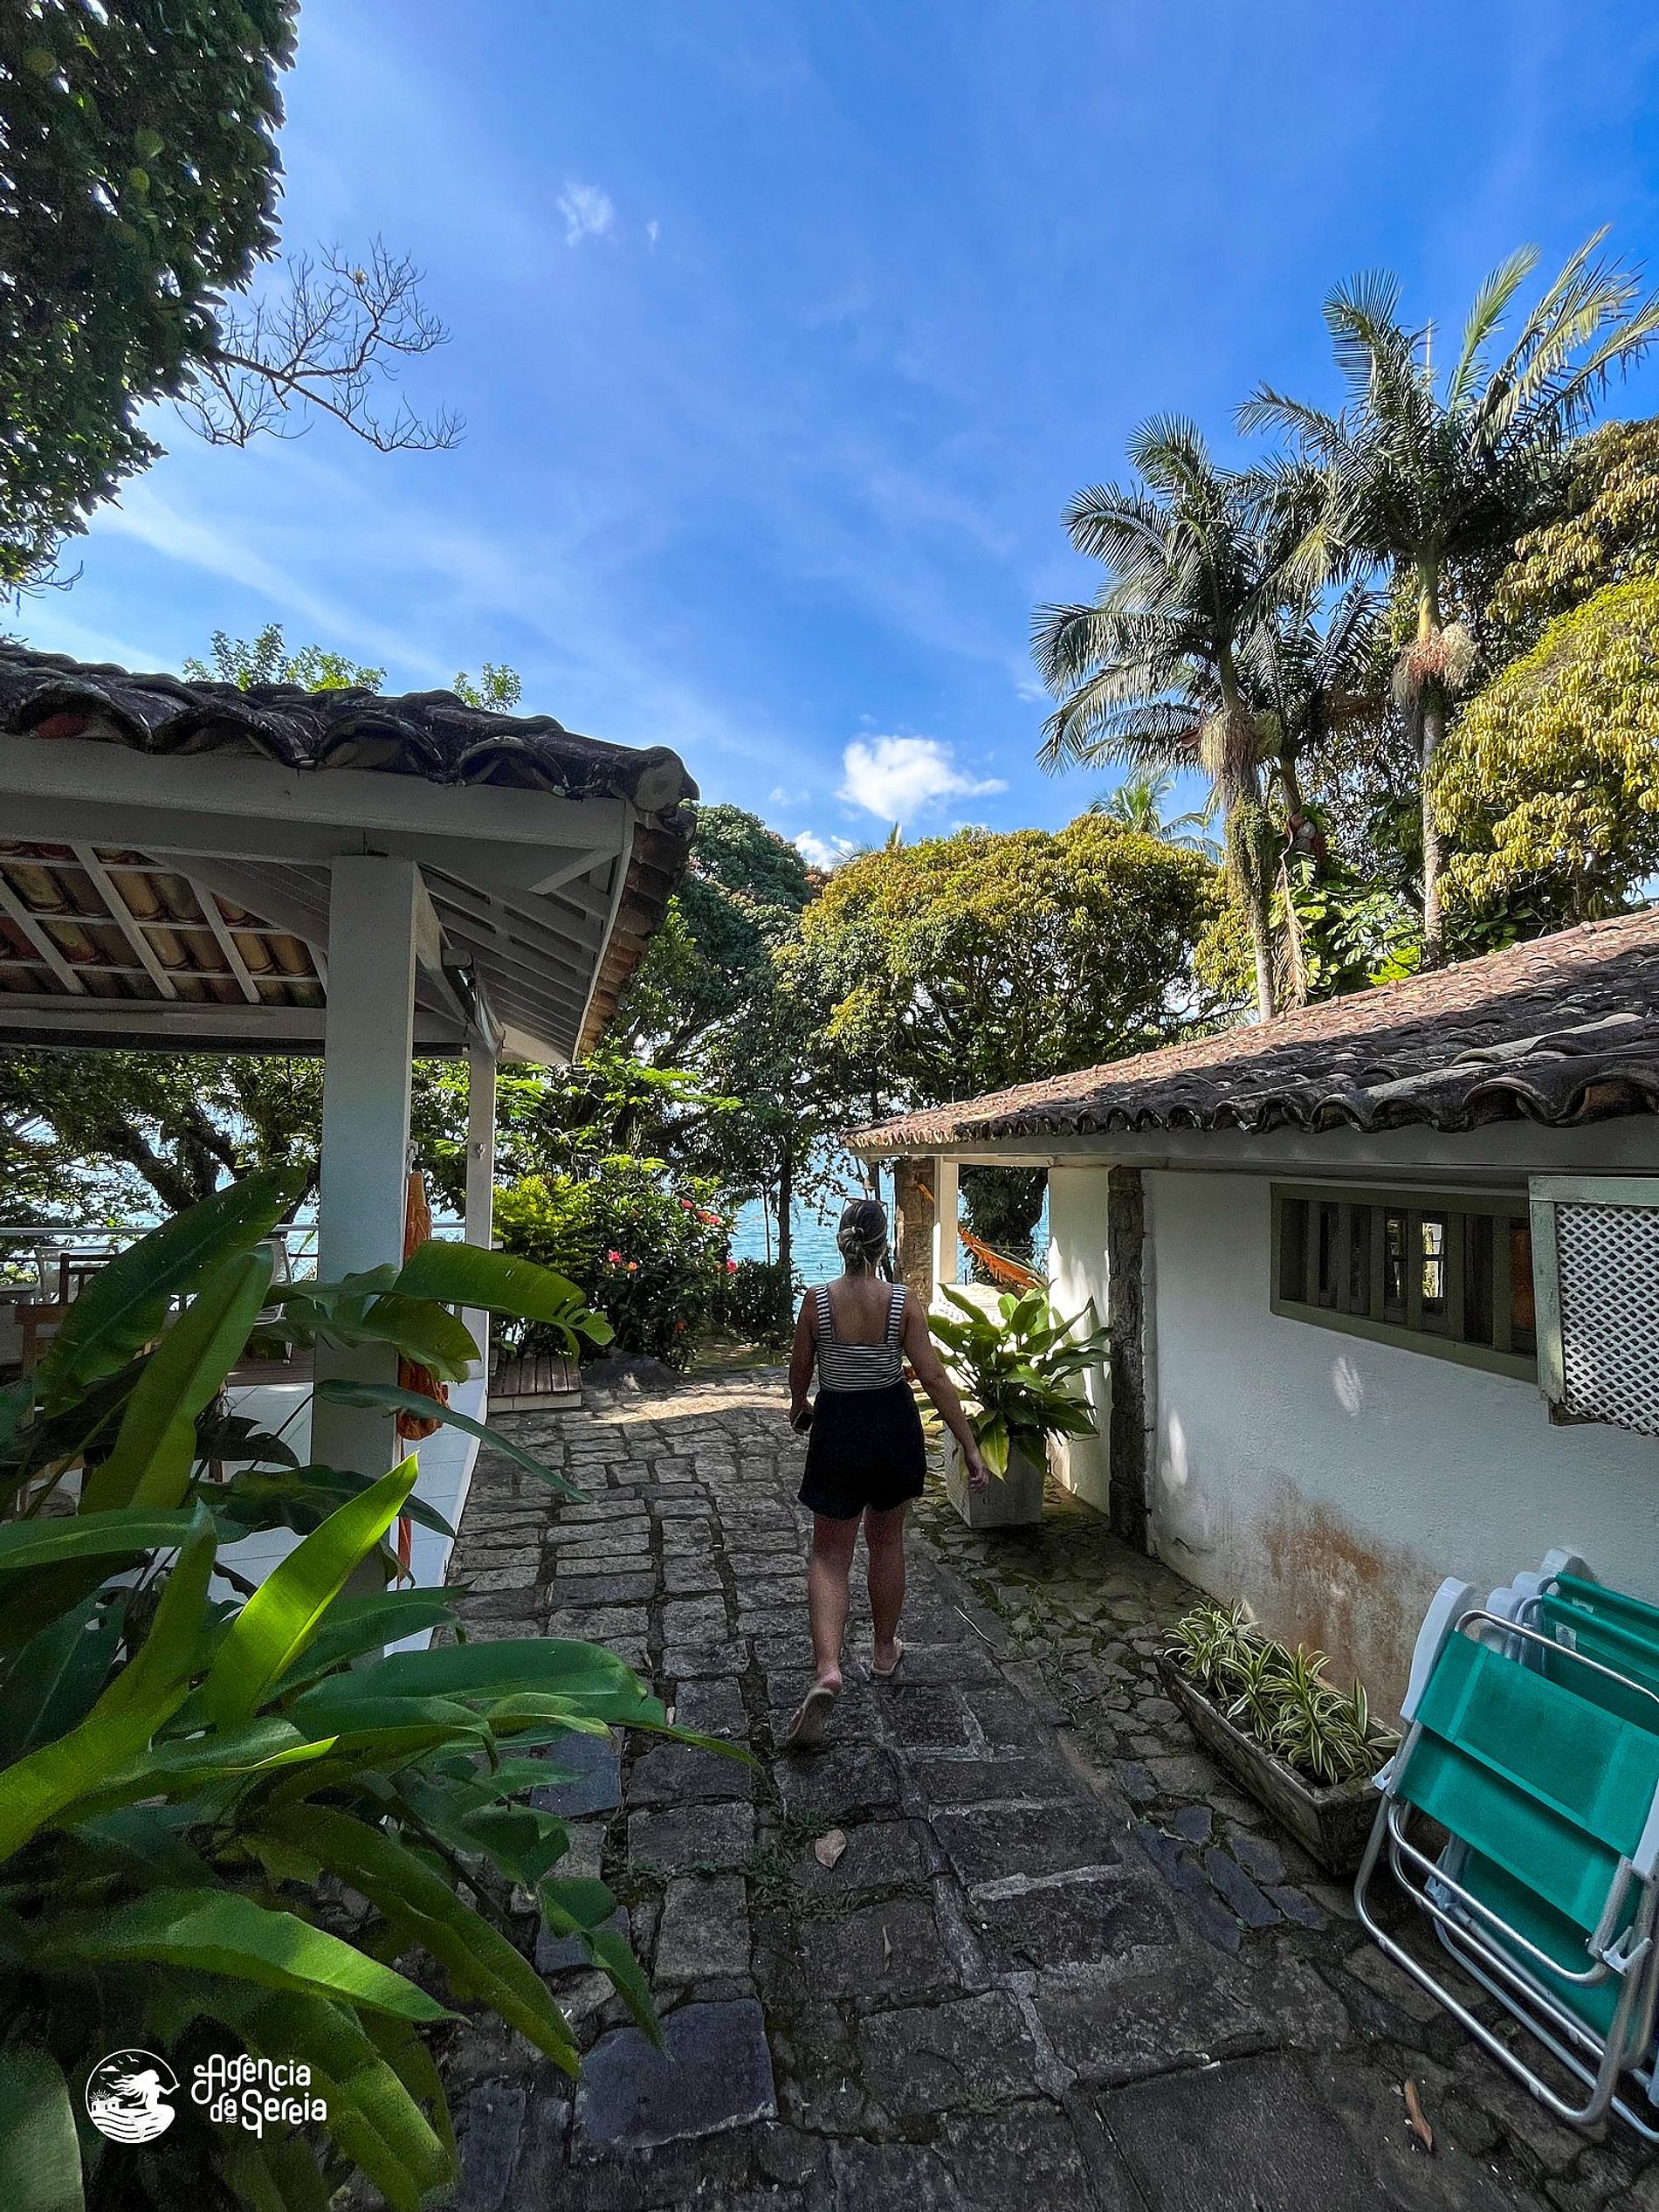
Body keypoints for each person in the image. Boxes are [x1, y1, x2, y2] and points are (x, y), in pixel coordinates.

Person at [782, 1196, 988, 1750]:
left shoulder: (817, 1301)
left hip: (839, 1428)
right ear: (882, 1247)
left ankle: (828, 1669)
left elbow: (800, 1367)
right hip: (892, 1427)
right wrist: (969, 1446)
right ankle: (883, 1651)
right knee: (887, 1541)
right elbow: (935, 1378)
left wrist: (799, 1403)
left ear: (842, 1243)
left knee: (830, 1553)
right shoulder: (902, 1302)